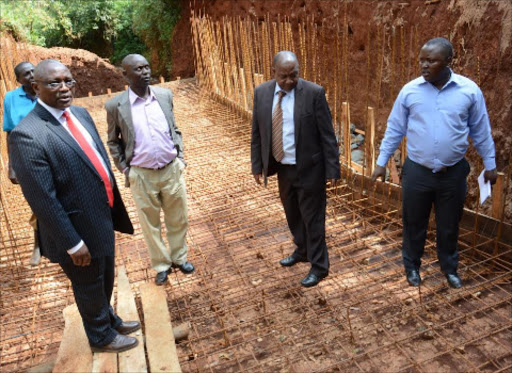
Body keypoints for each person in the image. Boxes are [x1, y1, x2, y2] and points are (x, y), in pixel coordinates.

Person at [9, 59, 139, 353]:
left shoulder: (79, 113)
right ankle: (101, 337)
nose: (65, 88)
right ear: (35, 87)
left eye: (69, 80)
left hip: (100, 216)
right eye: (54, 83)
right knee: (88, 283)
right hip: (75, 228)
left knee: (104, 275)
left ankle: (107, 318)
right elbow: (42, 198)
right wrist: (71, 242)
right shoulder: (27, 134)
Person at [372, 37, 497, 289]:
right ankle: (412, 267)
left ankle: (449, 269)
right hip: (417, 171)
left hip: (452, 173)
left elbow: (481, 130)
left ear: (449, 61)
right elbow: (395, 128)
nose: (424, 65)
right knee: (413, 223)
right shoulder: (410, 91)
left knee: (449, 225)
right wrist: (381, 161)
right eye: (422, 60)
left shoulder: (469, 91)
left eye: (432, 60)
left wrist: (490, 163)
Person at [251, 51, 341, 288]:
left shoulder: (313, 93)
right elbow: (257, 133)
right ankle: (302, 250)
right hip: (283, 168)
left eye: (294, 75)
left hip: (310, 168)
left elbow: (327, 135)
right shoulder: (262, 93)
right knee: (292, 213)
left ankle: (320, 267)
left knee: (314, 219)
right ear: (274, 72)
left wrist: (332, 170)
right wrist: (257, 165)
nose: (290, 81)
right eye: (284, 76)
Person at [106, 54, 194, 286]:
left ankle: (179, 257)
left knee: (178, 218)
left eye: (146, 67)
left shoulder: (164, 96)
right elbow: (113, 141)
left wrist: (181, 157)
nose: (145, 72)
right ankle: (162, 265)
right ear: (125, 74)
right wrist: (125, 170)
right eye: (138, 69)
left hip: (171, 169)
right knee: (150, 223)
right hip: (141, 174)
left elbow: (175, 128)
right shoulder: (116, 105)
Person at [3, 61, 41, 266]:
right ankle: (38, 244)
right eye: (26, 74)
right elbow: (10, 132)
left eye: (34, 70)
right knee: (37, 201)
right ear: (19, 80)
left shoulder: (48, 90)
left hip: (53, 155)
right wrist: (12, 166)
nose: (32, 75)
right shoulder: (11, 98)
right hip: (27, 159)